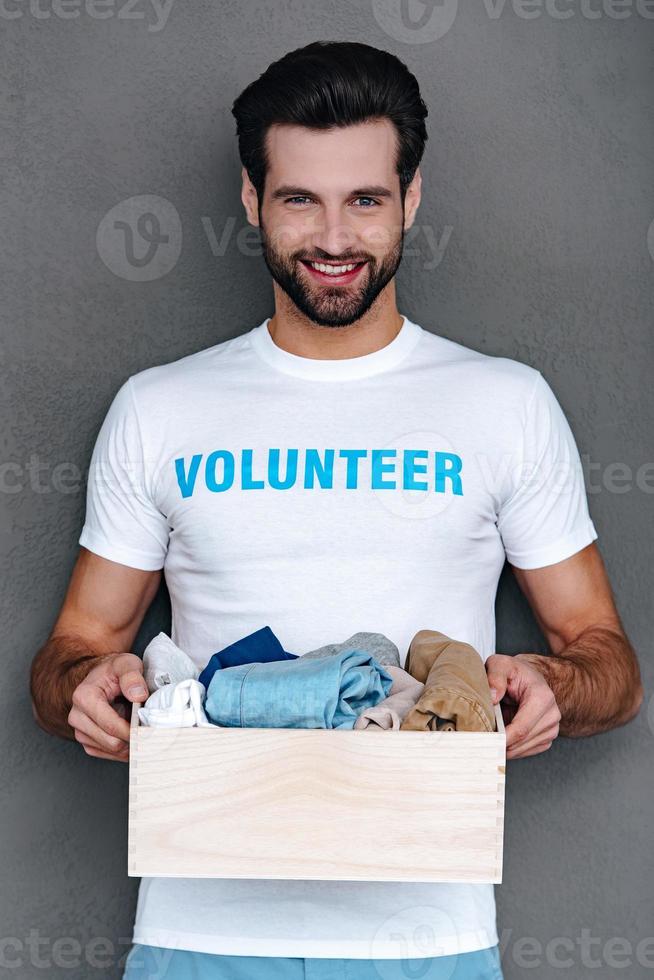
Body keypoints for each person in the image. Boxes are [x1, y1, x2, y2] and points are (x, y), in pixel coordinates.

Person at [30, 40, 642, 980]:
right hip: (202, 935)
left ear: (412, 199)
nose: (334, 237)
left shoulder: (505, 404)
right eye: (298, 199)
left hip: (428, 939)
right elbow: (71, 649)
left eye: (365, 199)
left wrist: (558, 690)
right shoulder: (160, 408)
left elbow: (609, 659)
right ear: (250, 201)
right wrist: (85, 690)